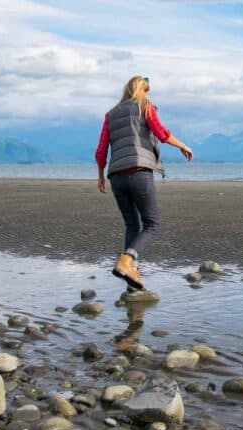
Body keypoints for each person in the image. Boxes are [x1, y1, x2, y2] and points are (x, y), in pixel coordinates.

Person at [94, 75, 193, 289]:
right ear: (142, 91)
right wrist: (183, 145)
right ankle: (127, 260)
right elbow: (161, 133)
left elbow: (101, 149)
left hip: (116, 176)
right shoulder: (145, 106)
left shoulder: (110, 115)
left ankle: (132, 277)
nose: (147, 94)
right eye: (146, 91)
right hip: (139, 171)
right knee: (152, 224)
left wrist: (101, 175)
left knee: (132, 224)